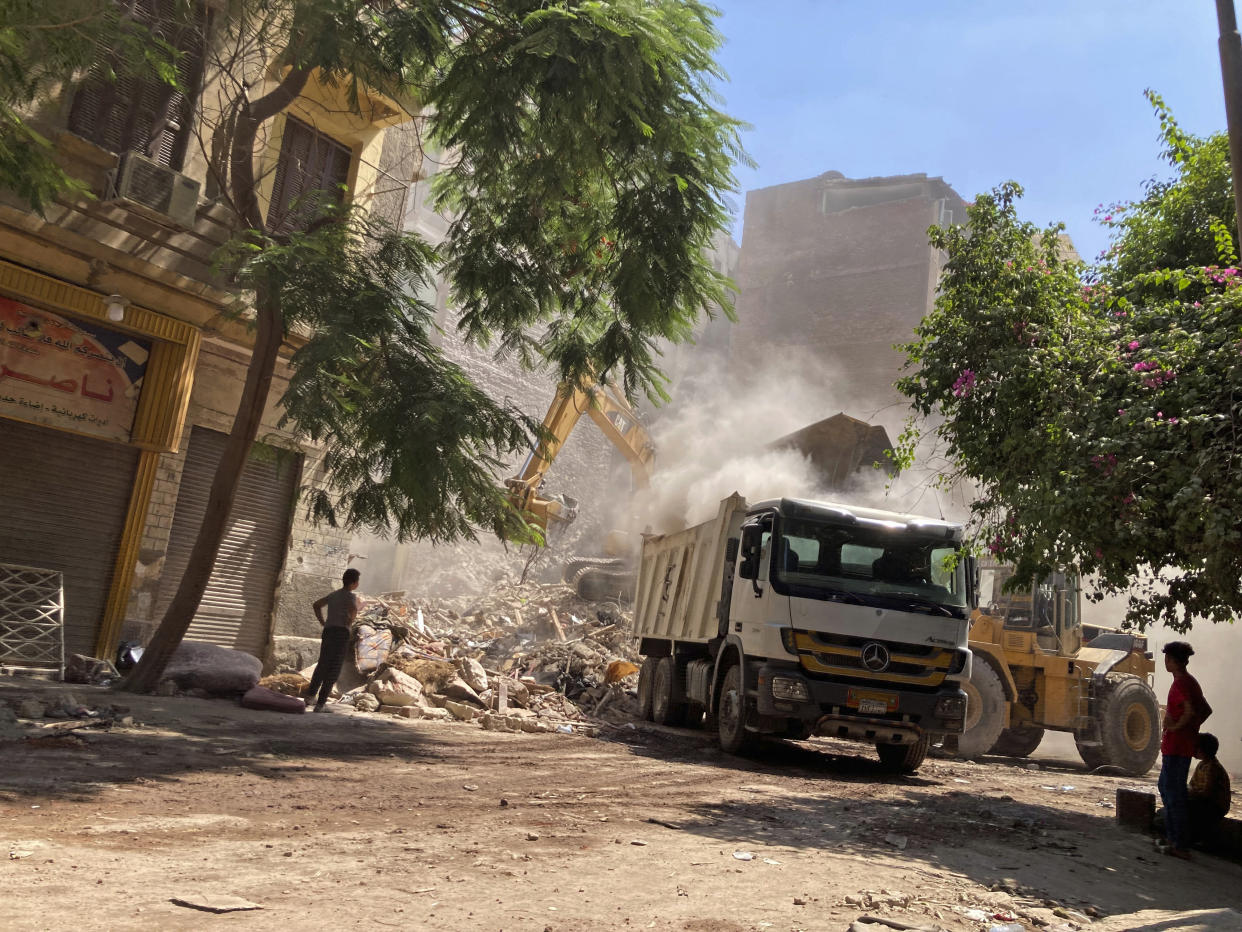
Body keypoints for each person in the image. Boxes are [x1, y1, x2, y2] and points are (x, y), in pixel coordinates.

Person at [1157, 640, 1212, 858]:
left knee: (1173, 793)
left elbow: (1189, 710)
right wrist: (1191, 728)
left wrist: (1176, 727)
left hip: (1177, 746)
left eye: (1167, 659)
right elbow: (1205, 710)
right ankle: (1174, 837)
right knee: (1167, 787)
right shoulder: (1191, 682)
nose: (1165, 662)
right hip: (1180, 745)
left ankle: (1179, 843)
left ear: (1173, 661)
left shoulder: (1180, 683)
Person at [306, 568, 361, 713]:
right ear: (354, 583)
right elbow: (354, 610)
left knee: (323, 664)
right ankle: (321, 704)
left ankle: (310, 696)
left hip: (328, 631)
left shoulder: (333, 595)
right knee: (334, 668)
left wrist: (323, 622)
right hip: (341, 633)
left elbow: (316, 605)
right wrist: (350, 621)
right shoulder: (350, 596)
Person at [1187, 732, 1231, 848]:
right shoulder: (1202, 765)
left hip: (1214, 806)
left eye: (1195, 747)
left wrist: (1189, 792)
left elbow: (1206, 793)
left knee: (1191, 807)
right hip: (1204, 801)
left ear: (1202, 750)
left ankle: (1200, 840)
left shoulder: (1212, 768)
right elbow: (1192, 785)